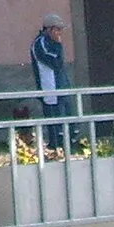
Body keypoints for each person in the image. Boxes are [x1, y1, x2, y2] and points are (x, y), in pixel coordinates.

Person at [31, 14, 71, 151]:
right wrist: (58, 45)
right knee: (55, 122)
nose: (59, 33)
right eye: (57, 30)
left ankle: (68, 145)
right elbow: (56, 62)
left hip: (62, 85)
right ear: (49, 29)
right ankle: (55, 147)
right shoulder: (40, 43)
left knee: (68, 119)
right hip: (50, 87)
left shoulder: (54, 43)